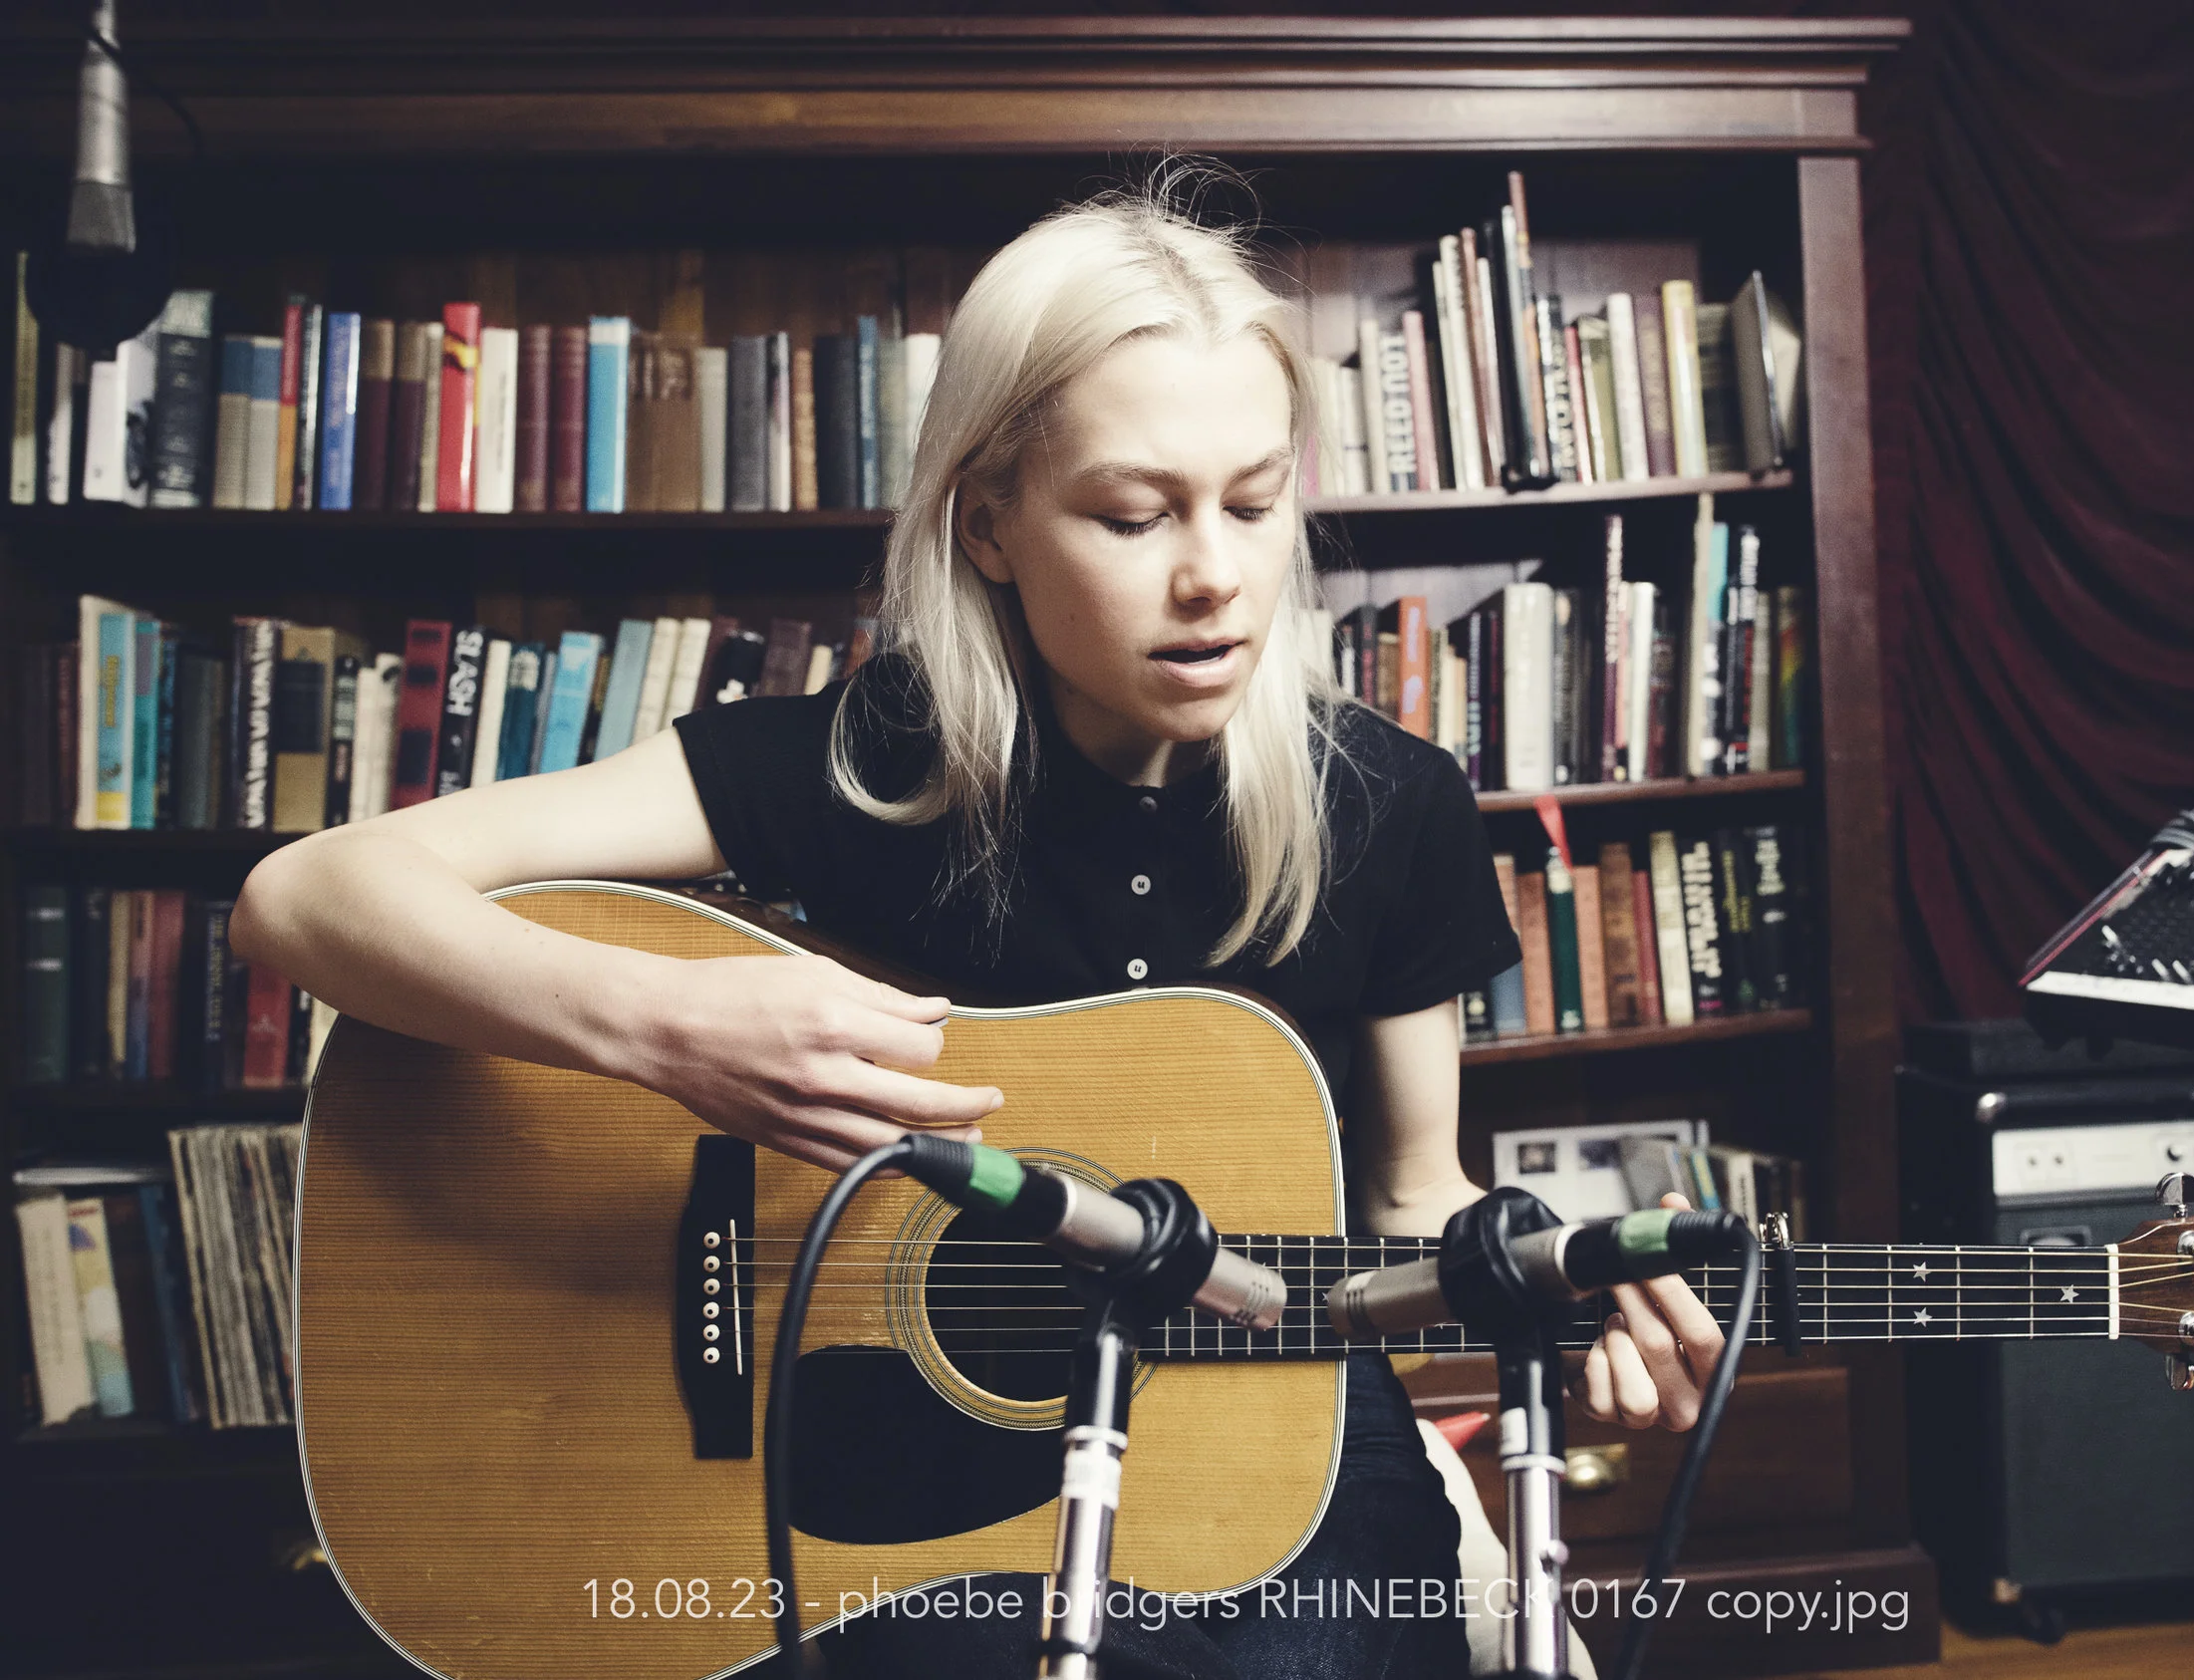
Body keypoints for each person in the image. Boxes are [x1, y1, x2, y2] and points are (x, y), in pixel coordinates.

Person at [230, 178, 1724, 1680]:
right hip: (900, 1479)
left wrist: (1544, 1281)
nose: (1216, 574)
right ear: (992, 522)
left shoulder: (1390, 804)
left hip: (1273, 1444)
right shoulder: (870, 759)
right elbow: (305, 897)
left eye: (1255, 504)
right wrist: (670, 1029)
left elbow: (1413, 1201)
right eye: (1133, 514)